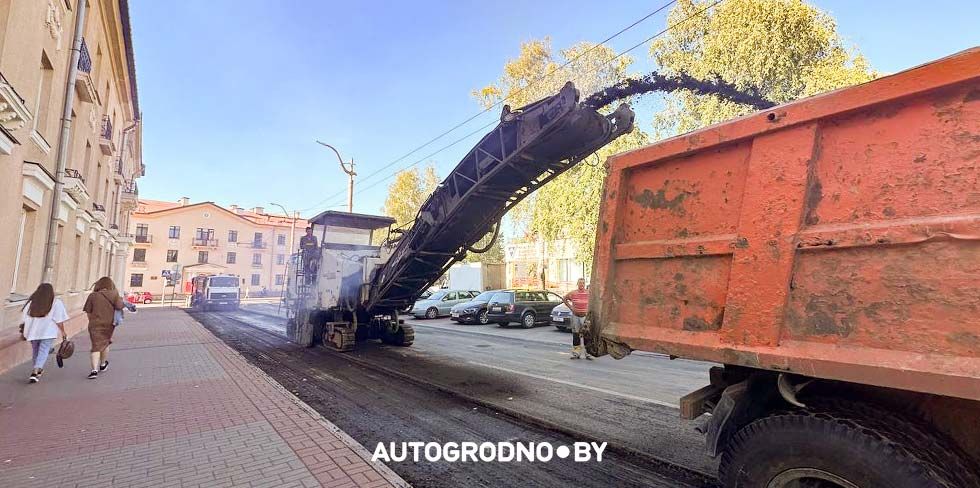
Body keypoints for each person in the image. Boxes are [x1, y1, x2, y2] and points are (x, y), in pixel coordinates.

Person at [20, 283, 68, 383]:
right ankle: (36, 370)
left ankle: (36, 369)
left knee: (36, 351)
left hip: (33, 332)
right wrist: (63, 331)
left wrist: (24, 331)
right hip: (48, 332)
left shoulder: (31, 302)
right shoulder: (55, 303)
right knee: (44, 350)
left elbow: (24, 318)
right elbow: (59, 320)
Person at [82, 277, 124, 379]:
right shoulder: (114, 295)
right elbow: (120, 306)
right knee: (105, 343)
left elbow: (88, 311)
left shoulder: (92, 296)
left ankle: (94, 370)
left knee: (96, 345)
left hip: (94, 324)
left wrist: (92, 320)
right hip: (109, 324)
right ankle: (103, 364)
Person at [562, 278, 593, 360]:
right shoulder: (573, 293)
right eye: (580, 283)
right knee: (576, 335)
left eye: (583, 283)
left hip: (585, 317)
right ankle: (576, 353)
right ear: (577, 284)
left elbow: (595, 301)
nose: (581, 285)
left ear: (584, 284)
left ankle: (588, 353)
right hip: (575, 316)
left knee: (587, 335)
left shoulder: (589, 293)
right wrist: (571, 307)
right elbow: (564, 299)